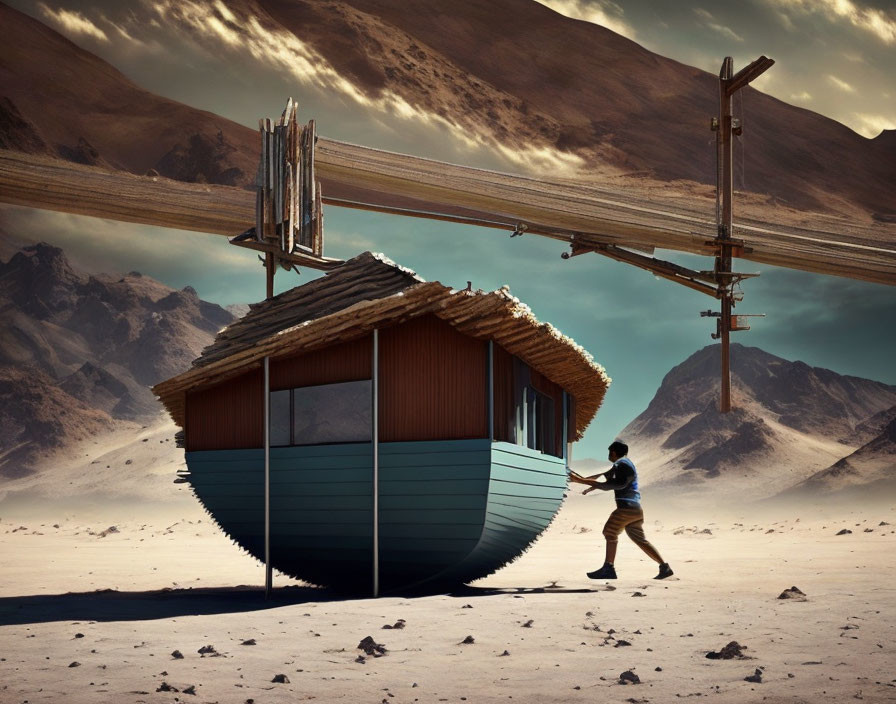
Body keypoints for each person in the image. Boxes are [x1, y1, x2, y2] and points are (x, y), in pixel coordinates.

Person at [570, 440, 673, 580]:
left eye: (609, 452)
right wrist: (585, 482)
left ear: (613, 452)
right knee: (640, 540)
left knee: (610, 532)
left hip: (626, 509)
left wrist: (579, 480)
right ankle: (664, 567)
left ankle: (608, 568)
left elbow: (613, 484)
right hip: (636, 510)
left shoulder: (621, 464)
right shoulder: (624, 463)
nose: (608, 455)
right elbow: (603, 477)